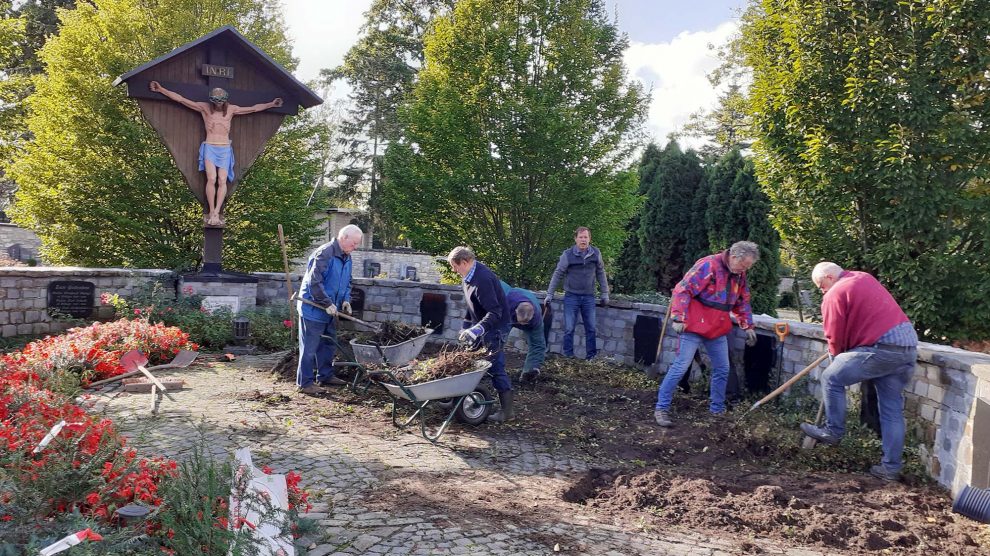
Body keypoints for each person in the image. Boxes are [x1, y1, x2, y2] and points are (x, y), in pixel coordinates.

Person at [800, 262, 918, 482]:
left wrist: (836, 358)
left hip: (881, 348)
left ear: (828, 277)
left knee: (831, 378)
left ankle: (833, 431)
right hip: (907, 348)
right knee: (891, 411)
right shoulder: (863, 277)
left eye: (820, 285)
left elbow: (834, 333)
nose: (822, 290)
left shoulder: (835, 292)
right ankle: (890, 469)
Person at [654, 241, 760, 427]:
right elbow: (682, 290)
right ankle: (661, 408)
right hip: (693, 326)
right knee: (680, 366)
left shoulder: (739, 275)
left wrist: (747, 325)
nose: (745, 270)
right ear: (734, 257)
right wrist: (678, 317)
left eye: (748, 267)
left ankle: (716, 410)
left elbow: (742, 301)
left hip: (717, 328)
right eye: (744, 265)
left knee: (723, 369)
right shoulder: (708, 265)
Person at [149, 81, 283, 227]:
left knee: (222, 180)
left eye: (220, 101)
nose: (218, 104)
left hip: (225, 148)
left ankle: (217, 212)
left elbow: (253, 109)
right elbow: (181, 99)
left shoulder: (231, 110)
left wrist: (271, 104)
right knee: (211, 178)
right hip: (210, 146)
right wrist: (161, 90)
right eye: (216, 101)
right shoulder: (205, 108)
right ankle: (211, 210)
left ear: (225, 100)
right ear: (212, 101)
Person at [447, 246, 514, 422]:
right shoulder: (467, 277)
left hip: (497, 326)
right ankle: (459, 398)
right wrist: (466, 326)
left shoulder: (482, 279)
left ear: (465, 262)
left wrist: (477, 329)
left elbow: (495, 311)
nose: (454, 271)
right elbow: (472, 306)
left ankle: (507, 412)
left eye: (455, 266)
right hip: (484, 324)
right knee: (468, 360)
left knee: (494, 366)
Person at [295, 225, 363, 395]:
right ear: (344, 237)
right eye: (353, 243)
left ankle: (325, 376)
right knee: (309, 348)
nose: (355, 248)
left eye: (357, 245)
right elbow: (314, 283)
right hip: (313, 309)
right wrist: (326, 303)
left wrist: (346, 300)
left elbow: (347, 282)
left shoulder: (347, 257)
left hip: (331, 310)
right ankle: (305, 383)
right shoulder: (325, 253)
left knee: (328, 345)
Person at [545, 227, 609, 359]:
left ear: (590, 239)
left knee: (591, 328)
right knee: (569, 328)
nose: (583, 240)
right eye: (581, 237)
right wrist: (549, 294)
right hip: (571, 296)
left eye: (586, 237)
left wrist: (605, 293)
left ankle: (591, 357)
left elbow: (601, 273)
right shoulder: (567, 255)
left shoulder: (596, 254)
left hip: (588, 297)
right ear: (575, 239)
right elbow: (558, 274)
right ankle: (568, 357)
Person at [500, 281, 547, 383]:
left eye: (524, 323)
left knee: (538, 344)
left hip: (530, 310)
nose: (521, 325)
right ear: (516, 311)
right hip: (509, 313)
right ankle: (494, 367)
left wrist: (534, 367)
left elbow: (538, 345)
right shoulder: (507, 302)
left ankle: (529, 373)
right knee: (499, 338)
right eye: (520, 322)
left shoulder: (536, 318)